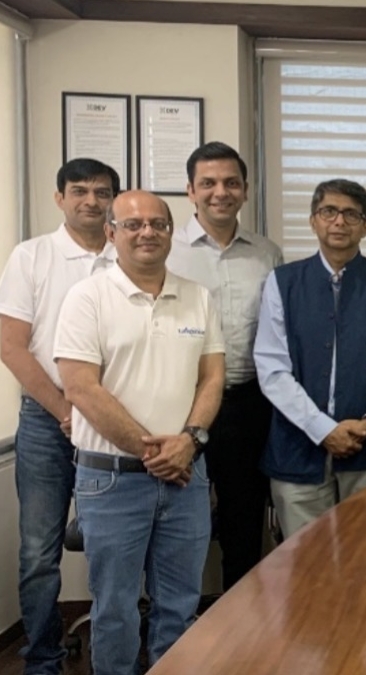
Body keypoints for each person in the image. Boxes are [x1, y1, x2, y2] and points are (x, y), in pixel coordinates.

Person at [55, 191, 224, 675]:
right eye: (133, 224)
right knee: (115, 610)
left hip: (186, 477)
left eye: (158, 224)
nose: (147, 232)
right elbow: (81, 388)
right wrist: (156, 454)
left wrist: (188, 441)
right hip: (112, 481)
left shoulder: (198, 297)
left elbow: (212, 378)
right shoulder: (86, 298)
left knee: (181, 605)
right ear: (111, 233)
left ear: (171, 232)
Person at [0, 158, 119, 675]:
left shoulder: (128, 252)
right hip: (47, 422)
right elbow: (11, 345)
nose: (91, 201)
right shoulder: (32, 256)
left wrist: (95, 413)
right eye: (79, 191)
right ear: (59, 198)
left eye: (101, 192)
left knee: (116, 544)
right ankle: (44, 658)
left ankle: (115, 653)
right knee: (38, 550)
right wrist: (66, 410)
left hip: (114, 421)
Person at [255, 178, 366, 539]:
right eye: (329, 211)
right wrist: (323, 429)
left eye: (351, 214)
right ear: (313, 220)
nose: (339, 221)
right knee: (305, 561)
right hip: (298, 449)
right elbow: (273, 369)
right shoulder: (283, 282)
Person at [167, 141, 283, 589]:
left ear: (246, 190)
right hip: (181, 405)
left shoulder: (266, 253)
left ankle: (242, 616)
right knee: (177, 520)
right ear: (190, 190)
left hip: (247, 404)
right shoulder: (166, 250)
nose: (221, 192)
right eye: (209, 183)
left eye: (231, 183)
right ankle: (176, 621)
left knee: (244, 518)